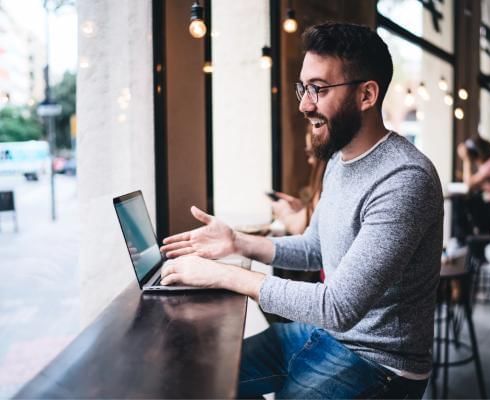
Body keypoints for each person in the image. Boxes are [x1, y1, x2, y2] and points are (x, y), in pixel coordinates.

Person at [159, 22, 443, 399]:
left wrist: (223, 275)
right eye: (303, 88)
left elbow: (339, 306)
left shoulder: (404, 180)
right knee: (203, 375)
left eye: (318, 89)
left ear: (367, 94)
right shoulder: (340, 161)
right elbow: (315, 247)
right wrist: (236, 242)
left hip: (378, 364)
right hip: (327, 336)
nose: (304, 104)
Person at [270, 130, 326, 235]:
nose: (309, 160)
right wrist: (303, 208)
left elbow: (299, 227)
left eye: (311, 153)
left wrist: (283, 211)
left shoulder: (327, 181)